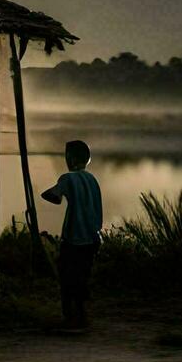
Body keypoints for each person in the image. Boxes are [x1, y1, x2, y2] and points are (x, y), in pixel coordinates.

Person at [41, 139, 103, 331]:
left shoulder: (68, 179)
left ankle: (70, 318)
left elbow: (53, 196)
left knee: (67, 278)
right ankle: (82, 315)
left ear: (71, 158)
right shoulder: (92, 180)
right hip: (92, 238)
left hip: (74, 238)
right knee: (83, 277)